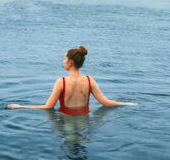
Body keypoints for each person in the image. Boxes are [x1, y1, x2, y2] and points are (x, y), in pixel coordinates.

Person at [8, 45, 136, 114]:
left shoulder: (61, 82)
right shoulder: (89, 80)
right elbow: (106, 102)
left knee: (69, 149)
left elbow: (48, 107)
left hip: (67, 120)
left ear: (70, 62)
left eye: (64, 59)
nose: (63, 61)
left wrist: (20, 106)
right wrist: (127, 104)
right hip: (85, 120)